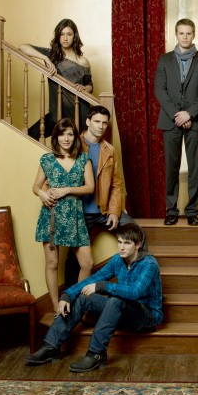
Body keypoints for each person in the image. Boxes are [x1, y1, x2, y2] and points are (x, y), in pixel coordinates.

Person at [26, 223, 163, 373]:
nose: (121, 247)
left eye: (127, 243)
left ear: (138, 245)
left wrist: (103, 286)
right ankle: (51, 347)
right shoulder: (118, 260)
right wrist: (67, 295)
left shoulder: (149, 264)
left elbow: (135, 292)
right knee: (85, 297)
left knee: (116, 300)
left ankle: (96, 354)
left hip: (147, 316)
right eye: (119, 242)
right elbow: (94, 278)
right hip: (122, 311)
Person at [65, 105, 146, 288]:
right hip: (79, 211)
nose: (101, 126)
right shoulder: (73, 144)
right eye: (97, 122)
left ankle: (138, 284)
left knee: (137, 233)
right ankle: (69, 296)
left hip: (104, 210)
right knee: (74, 257)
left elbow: (117, 184)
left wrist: (115, 212)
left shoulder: (109, 150)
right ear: (88, 121)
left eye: (104, 123)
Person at [154, 18, 198, 226]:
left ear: (194, 35)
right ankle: (171, 210)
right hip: (170, 121)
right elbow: (159, 90)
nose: (185, 37)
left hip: (195, 121)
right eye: (182, 33)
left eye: (189, 33)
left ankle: (192, 212)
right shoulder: (165, 59)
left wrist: (189, 114)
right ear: (176, 34)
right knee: (171, 167)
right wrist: (177, 115)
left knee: (194, 168)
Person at [32, 118, 95, 311]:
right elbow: (35, 186)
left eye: (70, 134)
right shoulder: (47, 160)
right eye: (61, 134)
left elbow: (90, 188)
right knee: (52, 263)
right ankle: (56, 308)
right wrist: (42, 194)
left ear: (75, 137)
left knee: (87, 263)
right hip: (51, 216)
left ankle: (75, 304)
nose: (66, 139)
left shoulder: (84, 159)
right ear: (56, 137)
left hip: (74, 216)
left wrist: (66, 190)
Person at [20, 18, 93, 140]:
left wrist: (84, 88)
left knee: (76, 148)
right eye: (62, 34)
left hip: (79, 112)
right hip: (57, 112)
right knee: (30, 135)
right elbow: (22, 47)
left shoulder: (83, 61)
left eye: (69, 34)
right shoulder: (52, 55)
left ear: (74, 36)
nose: (65, 38)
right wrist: (45, 58)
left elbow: (90, 84)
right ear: (58, 36)